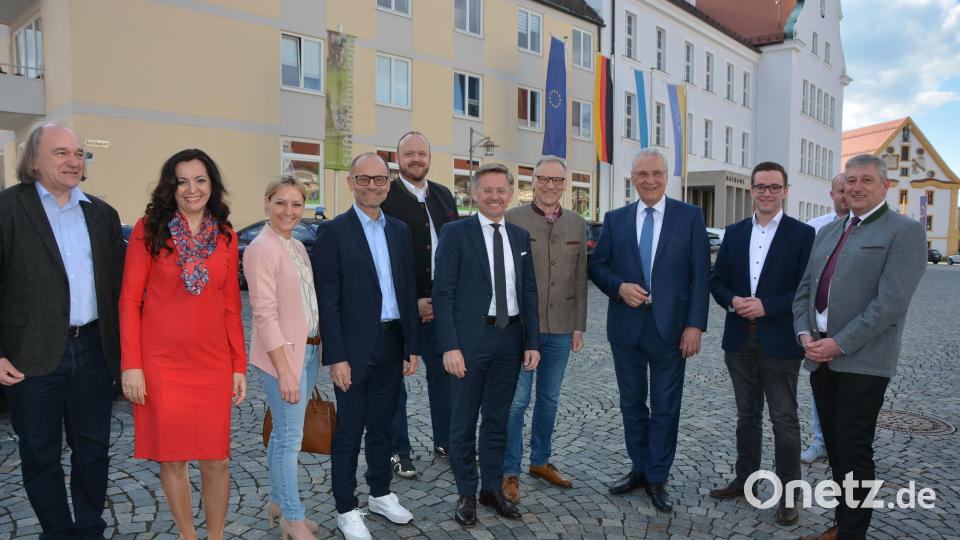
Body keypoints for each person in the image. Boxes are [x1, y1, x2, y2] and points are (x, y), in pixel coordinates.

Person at [0, 123, 124, 540]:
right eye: (61, 153)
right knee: (39, 454)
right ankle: (57, 533)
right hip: (30, 356)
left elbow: (118, 291)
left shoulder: (102, 214)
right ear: (34, 160)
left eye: (79, 153)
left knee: (93, 451)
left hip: (93, 350)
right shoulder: (7, 209)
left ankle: (89, 529)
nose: (73, 161)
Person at [795, 154, 927, 540]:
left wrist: (838, 344)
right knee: (835, 448)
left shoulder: (903, 231)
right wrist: (804, 335)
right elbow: (804, 292)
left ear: (885, 186)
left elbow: (891, 304)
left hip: (864, 362)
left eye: (865, 180)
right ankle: (843, 524)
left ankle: (853, 534)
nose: (856, 187)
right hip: (820, 358)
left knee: (854, 449)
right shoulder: (829, 232)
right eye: (850, 180)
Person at [119, 149, 247, 540]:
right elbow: (129, 299)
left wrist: (238, 365)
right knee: (173, 459)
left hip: (211, 363)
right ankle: (188, 536)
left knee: (217, 460)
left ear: (213, 185)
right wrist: (132, 364)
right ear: (170, 186)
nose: (192, 189)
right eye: (182, 181)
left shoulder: (226, 236)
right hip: (161, 363)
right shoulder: (148, 229)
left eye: (200, 180)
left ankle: (215, 536)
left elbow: (231, 307)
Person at [588, 148, 710, 513]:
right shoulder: (616, 219)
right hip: (626, 329)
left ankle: (658, 476)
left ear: (666, 175)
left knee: (666, 407)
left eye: (656, 173)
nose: (650, 180)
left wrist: (694, 326)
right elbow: (598, 266)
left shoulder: (689, 217)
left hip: (671, 330)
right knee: (631, 404)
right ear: (632, 177)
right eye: (642, 174)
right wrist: (619, 287)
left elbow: (700, 276)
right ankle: (639, 468)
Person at [312, 153, 421, 540]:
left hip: (393, 341)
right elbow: (329, 299)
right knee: (349, 430)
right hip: (354, 348)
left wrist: (412, 344)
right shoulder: (335, 232)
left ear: (389, 183)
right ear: (351, 183)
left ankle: (380, 492)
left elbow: (407, 289)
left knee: (383, 425)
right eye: (364, 179)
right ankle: (346, 506)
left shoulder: (400, 231)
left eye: (379, 179)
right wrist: (336, 355)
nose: (372, 186)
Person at [432, 163, 540, 526]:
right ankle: (466, 492)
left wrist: (532, 341)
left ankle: (491, 488)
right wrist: (449, 346)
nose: (495, 196)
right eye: (487, 190)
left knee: (498, 420)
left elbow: (528, 291)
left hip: (510, 340)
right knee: (462, 421)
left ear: (511, 194)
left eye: (501, 190)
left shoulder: (521, 237)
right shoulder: (455, 233)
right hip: (468, 343)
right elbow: (442, 293)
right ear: (474, 194)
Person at [708, 162, 814, 526]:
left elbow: (806, 288)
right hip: (739, 338)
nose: (766, 193)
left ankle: (788, 495)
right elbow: (717, 280)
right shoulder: (734, 233)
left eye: (774, 187)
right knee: (746, 416)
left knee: (784, 420)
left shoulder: (801, 235)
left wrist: (768, 305)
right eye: (760, 187)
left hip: (780, 339)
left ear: (785, 190)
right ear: (751, 190)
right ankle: (746, 479)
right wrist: (732, 300)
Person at [501, 155, 587, 503]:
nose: (550, 186)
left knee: (549, 400)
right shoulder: (512, 220)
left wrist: (579, 325)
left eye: (557, 180)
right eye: (543, 179)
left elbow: (581, 279)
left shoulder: (578, 224)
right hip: (523, 330)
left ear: (566, 184)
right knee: (517, 401)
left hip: (563, 328)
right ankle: (510, 470)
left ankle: (540, 461)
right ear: (532, 181)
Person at [244, 176, 321, 540]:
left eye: (296, 204)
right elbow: (263, 314)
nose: (289, 211)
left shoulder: (296, 245)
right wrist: (285, 370)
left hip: (307, 350)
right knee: (291, 438)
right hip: (283, 357)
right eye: (281, 203)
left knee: (282, 435)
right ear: (267, 203)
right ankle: (293, 517)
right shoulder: (261, 248)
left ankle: (277, 502)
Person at [381, 131, 459, 477]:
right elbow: (384, 261)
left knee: (444, 378)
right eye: (409, 153)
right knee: (395, 382)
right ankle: (399, 451)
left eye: (421, 154)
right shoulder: (385, 197)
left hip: (441, 309)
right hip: (400, 310)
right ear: (398, 158)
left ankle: (446, 442)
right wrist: (414, 302)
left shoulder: (444, 196)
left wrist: (443, 300)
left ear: (430, 157)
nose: (416, 159)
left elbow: (454, 254)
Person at [801, 173, 849, 465]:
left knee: (852, 393)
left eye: (850, 189)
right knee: (820, 390)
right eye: (840, 190)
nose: (846, 195)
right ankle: (821, 441)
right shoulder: (816, 229)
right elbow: (804, 282)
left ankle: (846, 447)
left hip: (852, 329)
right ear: (831, 194)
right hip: (818, 327)